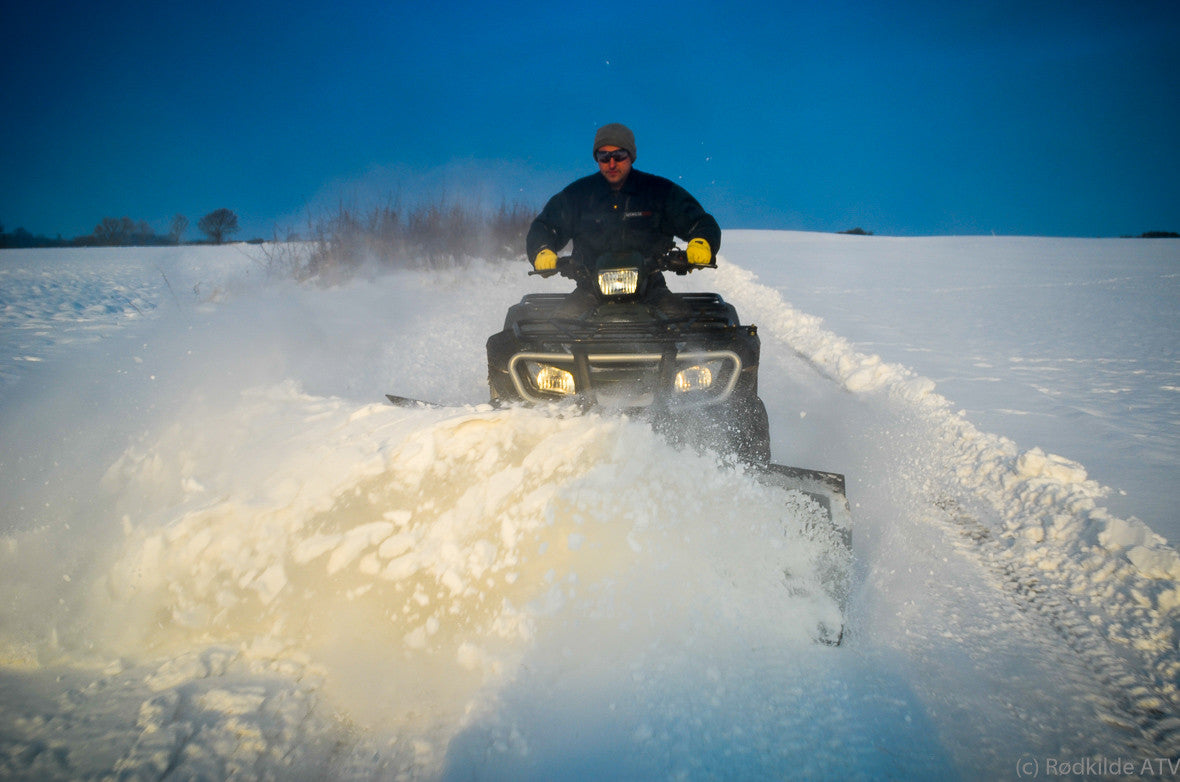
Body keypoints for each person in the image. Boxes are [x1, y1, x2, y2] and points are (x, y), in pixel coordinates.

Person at [526, 123, 721, 314]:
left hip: (651, 289)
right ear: (597, 158)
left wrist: (702, 242)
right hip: (589, 290)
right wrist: (542, 250)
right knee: (562, 322)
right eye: (604, 157)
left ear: (631, 156)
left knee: (680, 322)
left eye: (619, 156)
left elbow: (700, 222)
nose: (612, 163)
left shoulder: (659, 191)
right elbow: (545, 226)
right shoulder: (577, 195)